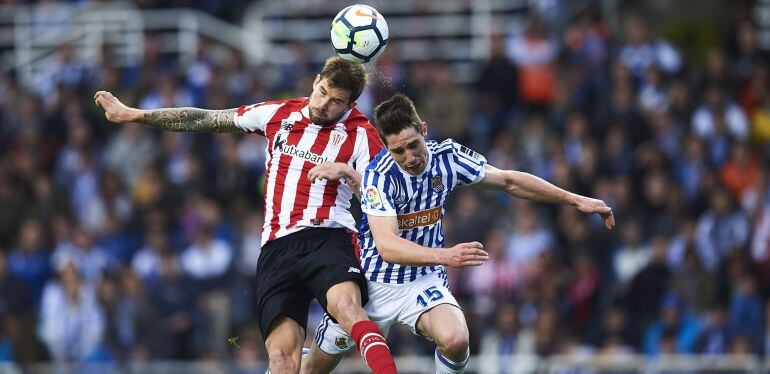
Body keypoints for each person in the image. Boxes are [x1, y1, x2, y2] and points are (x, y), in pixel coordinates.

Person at [94, 56, 397, 374]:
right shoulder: (279, 113)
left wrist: (350, 174)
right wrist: (134, 114)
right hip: (277, 249)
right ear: (315, 80)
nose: (324, 104)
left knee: (349, 312)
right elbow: (204, 120)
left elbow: (387, 199)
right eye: (322, 92)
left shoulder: (362, 134)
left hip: (329, 237)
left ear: (351, 104)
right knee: (281, 362)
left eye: (336, 102)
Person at [303, 93, 615, 373]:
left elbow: (508, 180)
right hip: (372, 285)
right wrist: (446, 255)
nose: (410, 157)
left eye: (413, 145)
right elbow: (387, 246)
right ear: (385, 147)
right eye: (399, 151)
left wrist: (575, 199)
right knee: (312, 370)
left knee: (455, 339)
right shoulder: (379, 176)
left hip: (422, 281)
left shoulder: (448, 157)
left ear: (424, 130)